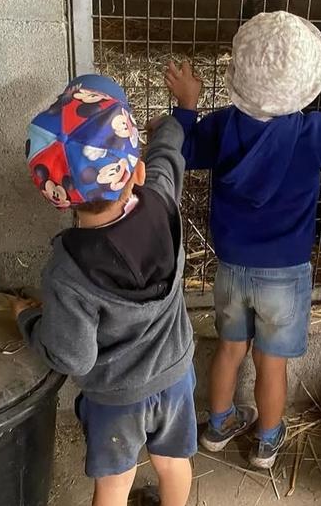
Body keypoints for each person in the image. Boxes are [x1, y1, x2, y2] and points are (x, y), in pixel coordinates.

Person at [164, 10, 321, 469]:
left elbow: (182, 151)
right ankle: (267, 441)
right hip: (285, 274)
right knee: (271, 362)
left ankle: (217, 426)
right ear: (306, 84)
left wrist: (187, 105)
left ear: (238, 74)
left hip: (230, 266)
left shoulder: (223, 125)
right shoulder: (313, 133)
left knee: (230, 348)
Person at [13, 75, 196, 506]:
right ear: (138, 172)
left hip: (117, 396)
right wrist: (173, 120)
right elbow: (169, 157)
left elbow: (72, 355)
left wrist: (27, 320)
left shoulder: (67, 273)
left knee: (116, 481)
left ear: (59, 199)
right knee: (173, 461)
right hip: (175, 373)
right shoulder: (163, 200)